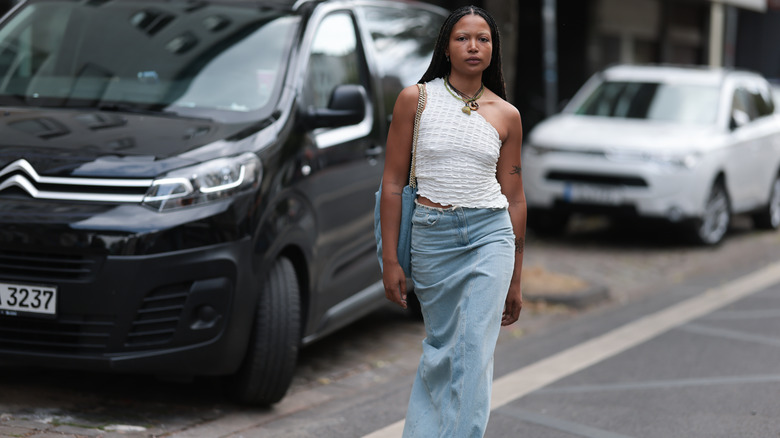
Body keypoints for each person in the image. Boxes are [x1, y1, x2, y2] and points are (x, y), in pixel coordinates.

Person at [379, 5, 526, 437]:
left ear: (493, 49)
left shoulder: (507, 115)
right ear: (446, 46)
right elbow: (391, 182)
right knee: (442, 352)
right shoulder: (416, 100)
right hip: (431, 238)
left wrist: (516, 277)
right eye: (463, 37)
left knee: (472, 351)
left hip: (490, 235)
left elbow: (515, 197)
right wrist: (390, 259)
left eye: (483, 38)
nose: (473, 46)